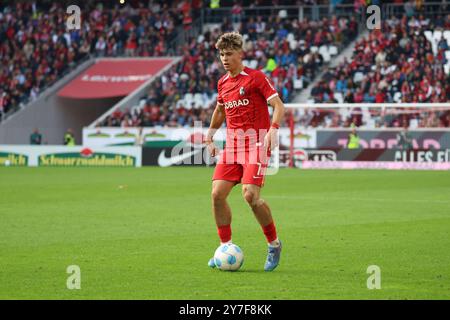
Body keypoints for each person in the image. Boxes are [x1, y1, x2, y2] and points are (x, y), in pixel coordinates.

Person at [205, 32, 285, 271]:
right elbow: (220, 111)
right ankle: (224, 247)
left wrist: (274, 128)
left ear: (240, 54)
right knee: (217, 194)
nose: (225, 59)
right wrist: (209, 135)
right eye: (221, 54)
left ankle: (274, 244)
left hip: (257, 143)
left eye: (229, 54)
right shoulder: (222, 83)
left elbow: (279, 106)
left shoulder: (256, 78)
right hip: (233, 146)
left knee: (250, 196)